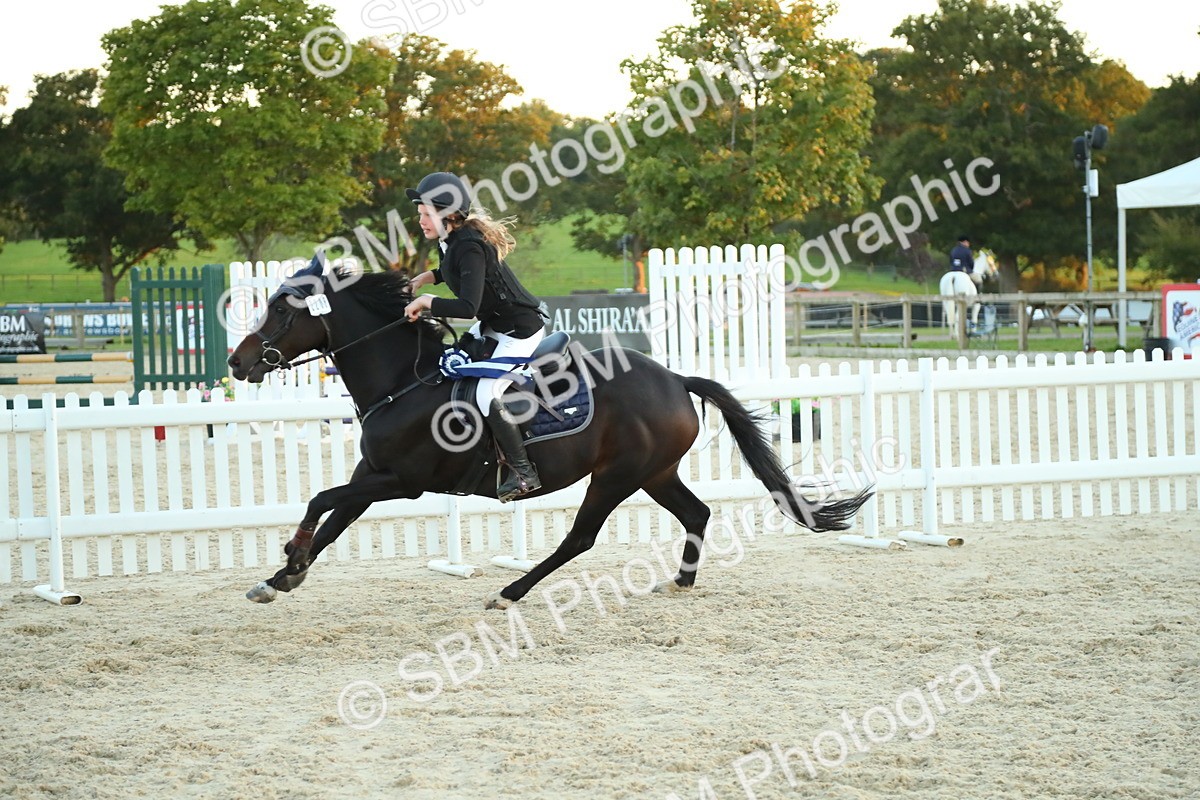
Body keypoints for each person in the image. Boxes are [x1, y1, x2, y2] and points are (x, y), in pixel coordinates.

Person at [403, 172, 546, 502]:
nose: (420, 220)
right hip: (493, 324)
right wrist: (428, 277)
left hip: (519, 331)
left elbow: (468, 306)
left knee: (485, 392)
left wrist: (426, 301)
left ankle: (524, 472)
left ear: (448, 214)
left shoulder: (468, 245)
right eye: (420, 213)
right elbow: (453, 270)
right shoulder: (454, 239)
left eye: (426, 214)